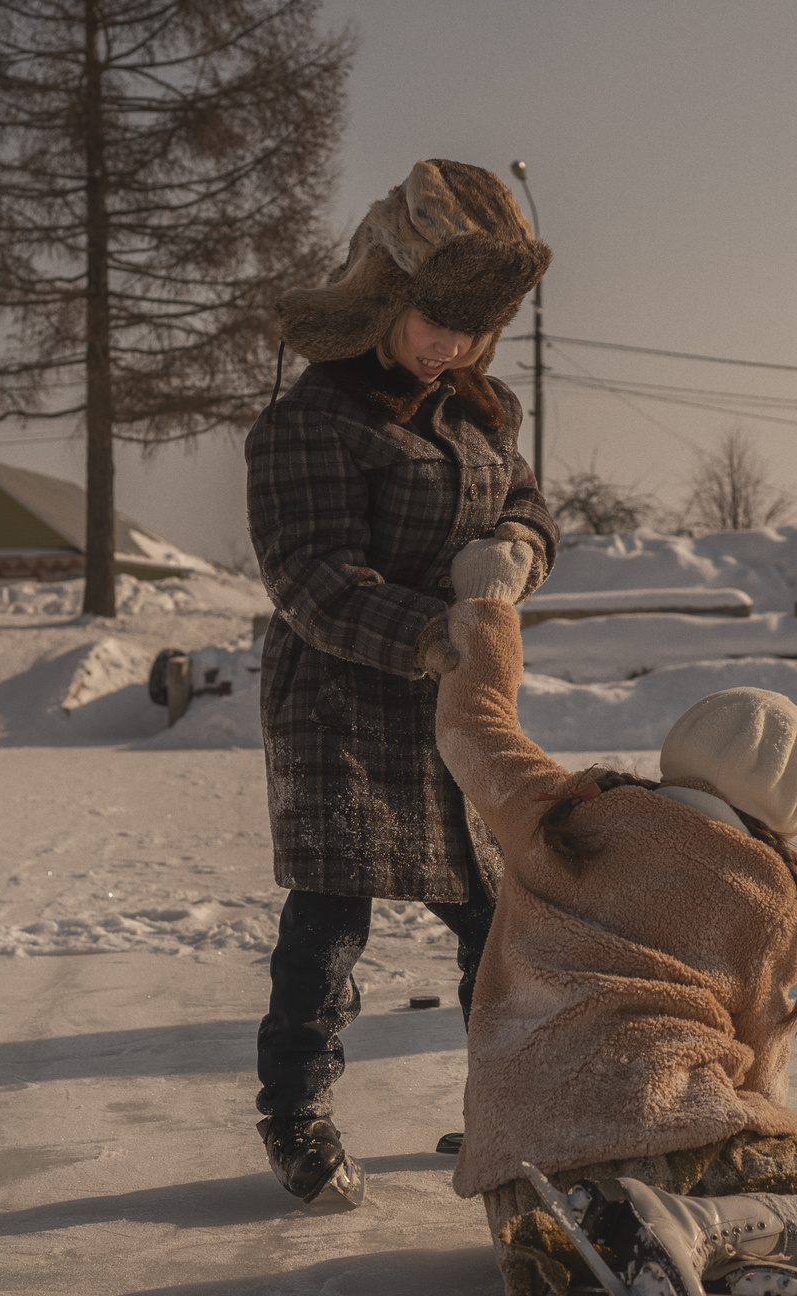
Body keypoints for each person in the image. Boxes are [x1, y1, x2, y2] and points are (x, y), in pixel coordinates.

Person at [422, 593, 797, 1296]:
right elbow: (763, 1075)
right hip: (669, 1132)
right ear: (793, 806)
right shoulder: (766, 894)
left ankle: (605, 1257)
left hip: (521, 1170)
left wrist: (488, 601)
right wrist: (771, 1155)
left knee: (570, 1242)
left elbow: (470, 727)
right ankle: (705, 1225)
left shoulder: (560, 813)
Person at [244, 159, 558, 1204]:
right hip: (337, 698)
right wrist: (445, 629)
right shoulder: (311, 419)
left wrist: (514, 548)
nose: (451, 345)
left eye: (474, 328)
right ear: (384, 292)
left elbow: (530, 506)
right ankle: (297, 1116)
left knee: (495, 912)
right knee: (331, 913)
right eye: (435, 319)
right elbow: (313, 582)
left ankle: (510, 1105)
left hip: (451, 699)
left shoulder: (479, 410)